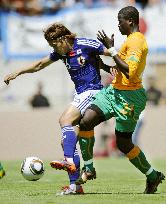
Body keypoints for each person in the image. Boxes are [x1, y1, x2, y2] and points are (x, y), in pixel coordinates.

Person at [4, 23, 112, 195]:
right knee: (66, 141)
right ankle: (75, 186)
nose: (53, 48)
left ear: (62, 39)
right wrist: (18, 72)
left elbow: (110, 53)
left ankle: (69, 160)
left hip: (93, 91)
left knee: (64, 120)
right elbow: (40, 64)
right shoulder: (60, 53)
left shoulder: (85, 44)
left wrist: (112, 56)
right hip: (80, 94)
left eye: (54, 44)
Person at [74, 6, 165, 194]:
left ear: (130, 21)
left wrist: (111, 48)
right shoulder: (129, 41)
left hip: (129, 97)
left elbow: (130, 72)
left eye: (120, 21)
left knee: (123, 144)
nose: (118, 24)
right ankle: (89, 168)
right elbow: (121, 70)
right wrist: (104, 65)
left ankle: (152, 175)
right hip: (114, 92)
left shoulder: (137, 41)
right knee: (86, 121)